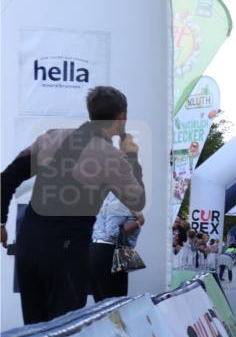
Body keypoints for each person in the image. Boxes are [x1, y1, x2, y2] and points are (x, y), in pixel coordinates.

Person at [0, 86, 145, 324]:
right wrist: (131, 156)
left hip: (30, 245)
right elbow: (137, 199)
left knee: (34, 331)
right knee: (63, 333)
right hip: (66, 254)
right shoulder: (113, 157)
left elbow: (6, 179)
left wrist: (1, 222)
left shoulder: (50, 137)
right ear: (121, 117)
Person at [89, 193, 144, 301]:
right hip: (107, 252)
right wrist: (139, 222)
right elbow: (112, 232)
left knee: (107, 301)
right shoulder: (119, 201)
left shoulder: (113, 199)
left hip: (102, 251)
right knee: (112, 301)